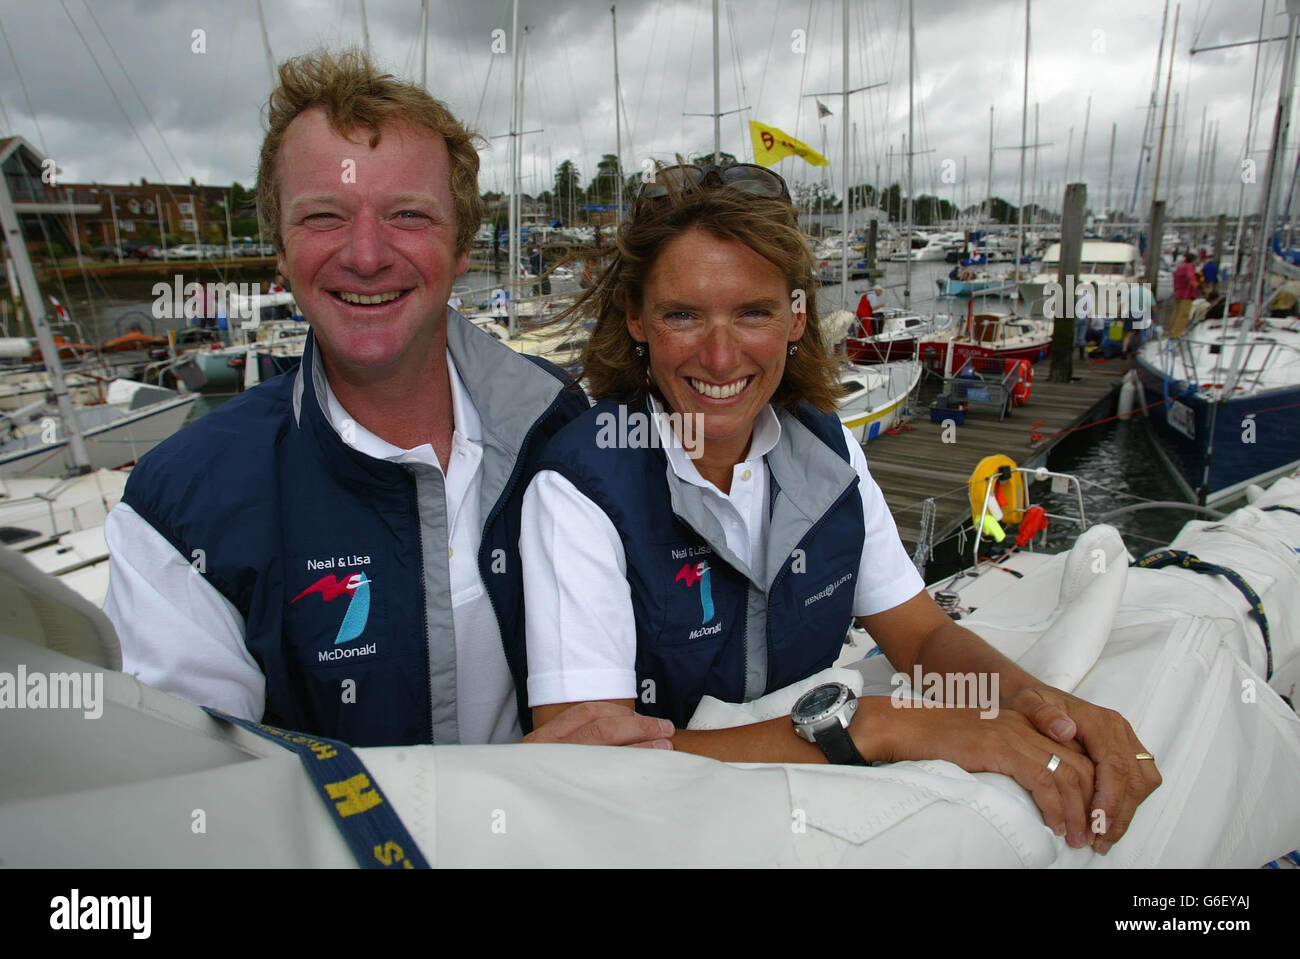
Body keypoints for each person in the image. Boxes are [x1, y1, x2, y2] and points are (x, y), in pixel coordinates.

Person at [518, 162, 1161, 853]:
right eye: (683, 314)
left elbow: (923, 637)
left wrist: (1036, 704)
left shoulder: (831, 453)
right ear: (636, 319)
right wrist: (878, 725)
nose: (721, 352)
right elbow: (590, 772)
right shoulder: (580, 489)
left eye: (754, 312)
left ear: (796, 317)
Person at [101, 49, 668, 752]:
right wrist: (509, 792)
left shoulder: (562, 428)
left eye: (407, 215)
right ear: (278, 246)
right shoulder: (180, 510)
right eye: (323, 217)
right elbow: (202, 805)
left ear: (462, 245)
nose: (366, 254)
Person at [1171, 252, 1198, 337]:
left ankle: (1172, 330)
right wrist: (1195, 285)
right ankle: (1177, 333)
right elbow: (1190, 277)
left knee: (1176, 313)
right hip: (1186, 294)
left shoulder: (1180, 267)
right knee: (1183, 314)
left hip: (1178, 293)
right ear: (1193, 260)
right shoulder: (1189, 267)